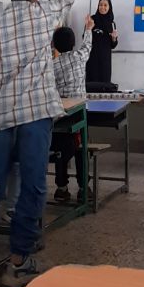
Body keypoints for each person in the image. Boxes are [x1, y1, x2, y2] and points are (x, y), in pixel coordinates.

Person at [0, 0, 85, 287]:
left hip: (0, 115)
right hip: (35, 114)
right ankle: (18, 262)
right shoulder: (45, 12)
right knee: (33, 185)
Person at [51, 17, 93, 203]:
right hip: (78, 113)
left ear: (55, 45)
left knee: (61, 151)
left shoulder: (52, 66)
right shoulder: (79, 58)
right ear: (73, 43)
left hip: (59, 114)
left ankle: (61, 187)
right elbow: (88, 46)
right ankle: (84, 188)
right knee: (81, 149)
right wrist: (88, 28)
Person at [85, 0, 118, 89]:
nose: (102, 7)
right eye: (100, 5)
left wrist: (114, 39)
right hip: (92, 58)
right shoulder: (92, 19)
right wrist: (88, 28)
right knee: (91, 85)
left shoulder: (112, 23)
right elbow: (84, 38)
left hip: (105, 60)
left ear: (109, 7)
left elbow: (113, 45)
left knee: (104, 86)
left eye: (105, 5)